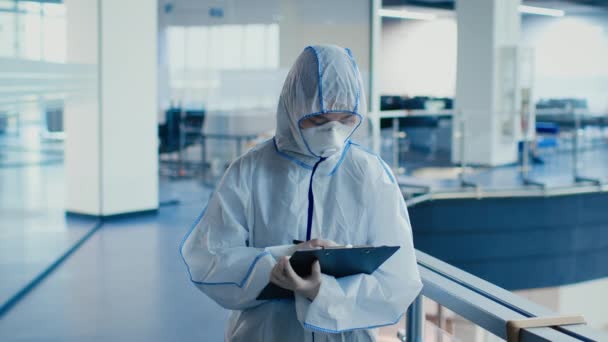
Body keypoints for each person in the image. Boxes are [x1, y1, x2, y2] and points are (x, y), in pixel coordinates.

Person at [180, 44, 422, 341]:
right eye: (318, 120)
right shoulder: (249, 170)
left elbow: (399, 280)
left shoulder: (370, 174)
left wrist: (324, 291)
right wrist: (281, 264)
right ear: (293, 105)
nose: (332, 132)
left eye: (345, 119)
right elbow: (209, 258)